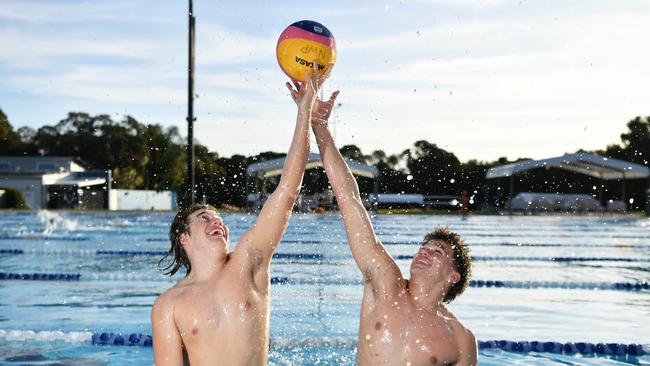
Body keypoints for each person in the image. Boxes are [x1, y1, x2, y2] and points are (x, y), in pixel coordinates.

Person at [151, 69, 321, 366]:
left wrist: (304, 111)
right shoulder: (168, 305)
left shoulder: (248, 261)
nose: (217, 222)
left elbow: (287, 190)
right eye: (204, 218)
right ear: (184, 238)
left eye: (218, 218)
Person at [311, 91, 477, 366]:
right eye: (424, 246)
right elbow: (350, 199)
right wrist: (320, 126)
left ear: (454, 276)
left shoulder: (461, 338)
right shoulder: (385, 284)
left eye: (438, 251)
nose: (424, 251)